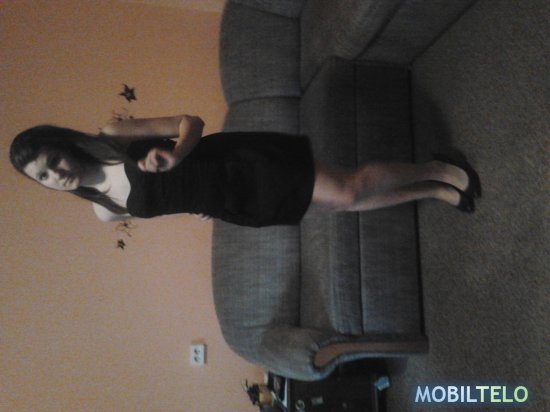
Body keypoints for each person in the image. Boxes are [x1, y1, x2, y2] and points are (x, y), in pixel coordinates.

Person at [9, 115, 481, 227]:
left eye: (53, 161)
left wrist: (178, 155)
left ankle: (436, 167)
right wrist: (194, 204)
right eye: (43, 177)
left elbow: (190, 122)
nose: (56, 175)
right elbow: (165, 201)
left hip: (237, 163)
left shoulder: (115, 135)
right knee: (340, 205)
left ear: (64, 145)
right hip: (232, 203)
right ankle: (430, 191)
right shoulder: (105, 211)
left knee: (347, 190)